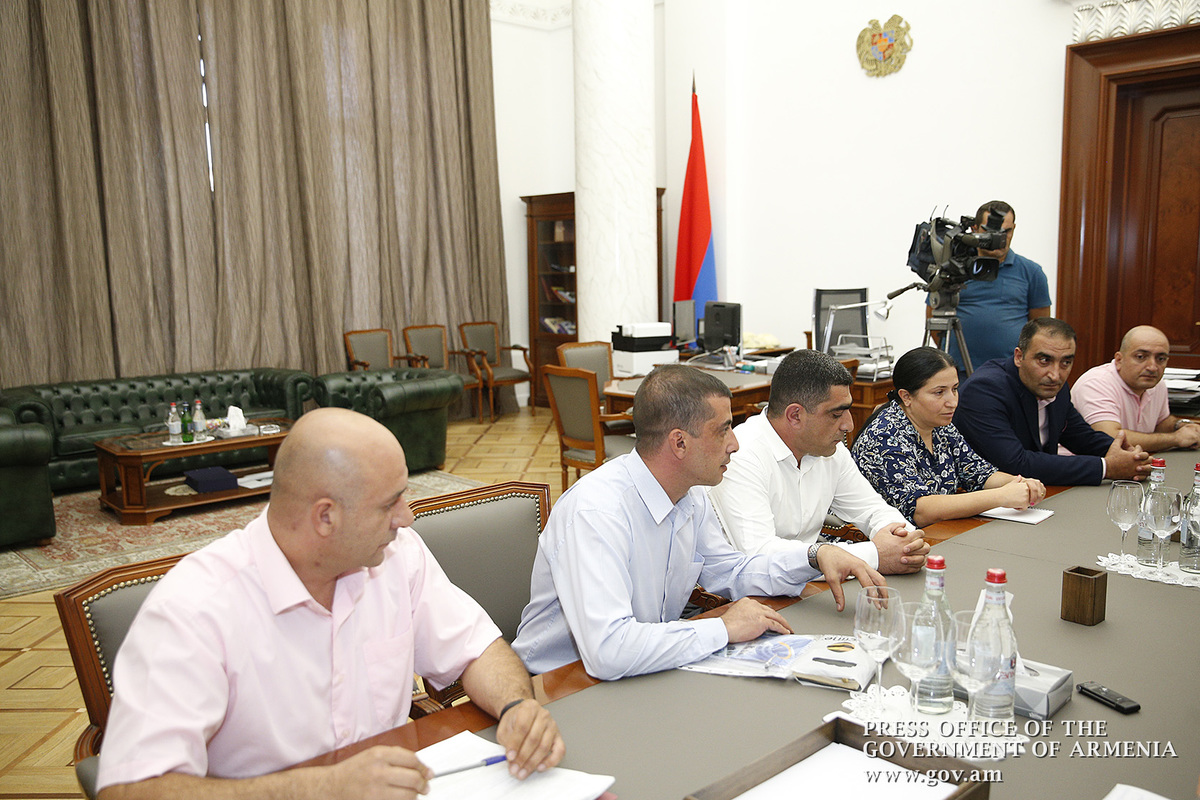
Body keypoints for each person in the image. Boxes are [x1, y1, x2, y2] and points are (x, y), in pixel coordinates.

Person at [97, 408, 564, 800]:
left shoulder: (396, 556)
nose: (407, 517)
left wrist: (516, 707)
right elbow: (130, 789)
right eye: (390, 503)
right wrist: (321, 788)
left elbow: (476, 648)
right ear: (326, 517)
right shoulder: (194, 610)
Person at [511, 364, 886, 680]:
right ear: (679, 443)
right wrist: (722, 628)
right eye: (723, 429)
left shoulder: (690, 495)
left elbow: (732, 572)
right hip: (559, 686)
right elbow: (609, 650)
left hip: (647, 668)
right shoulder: (597, 513)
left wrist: (815, 556)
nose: (734, 444)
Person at [708, 349, 929, 573]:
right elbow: (759, 554)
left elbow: (872, 509)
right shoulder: (741, 455)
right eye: (836, 415)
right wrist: (874, 554)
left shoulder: (830, 450)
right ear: (795, 415)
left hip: (811, 581)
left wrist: (903, 539)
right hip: (750, 589)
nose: (849, 425)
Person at [850, 346, 1047, 527]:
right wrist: (1001, 496)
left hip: (938, 533)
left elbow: (978, 473)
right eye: (939, 392)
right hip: (885, 542)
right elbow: (921, 510)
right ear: (906, 397)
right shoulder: (883, 436)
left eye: (954, 389)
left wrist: (1021, 483)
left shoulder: (940, 426)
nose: (952, 402)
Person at [954, 317, 1150, 486]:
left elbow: (1081, 436)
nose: (1055, 375)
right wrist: (1106, 467)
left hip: (1033, 495)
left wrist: (1127, 455)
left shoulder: (1055, 387)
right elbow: (1015, 464)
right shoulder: (984, 390)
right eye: (1044, 360)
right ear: (1019, 357)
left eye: (1066, 362)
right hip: (981, 501)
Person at [927, 200, 1051, 372]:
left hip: (1010, 372)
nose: (999, 238)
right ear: (975, 229)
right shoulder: (953, 269)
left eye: (1006, 231)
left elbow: (1040, 328)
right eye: (990, 231)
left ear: (1014, 229)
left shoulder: (1031, 272)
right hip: (959, 372)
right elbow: (934, 317)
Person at [1071, 325, 1200, 452]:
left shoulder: (1157, 384)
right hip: (1088, 462)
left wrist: (1181, 425)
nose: (1152, 367)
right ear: (1119, 360)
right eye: (1140, 357)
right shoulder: (1096, 383)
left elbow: (1160, 422)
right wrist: (1175, 438)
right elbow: (1111, 438)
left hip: (1131, 460)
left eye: (1160, 359)